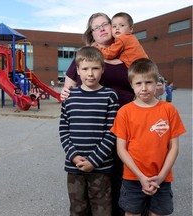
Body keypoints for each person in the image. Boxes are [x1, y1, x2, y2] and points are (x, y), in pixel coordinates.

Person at [61, 12, 135, 216]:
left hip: (128, 123)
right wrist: (66, 93)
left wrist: (158, 86)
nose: (102, 28)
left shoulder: (129, 51)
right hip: (98, 125)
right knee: (89, 192)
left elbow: (148, 75)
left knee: (122, 175)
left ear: (113, 27)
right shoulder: (88, 54)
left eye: (105, 24)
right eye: (96, 27)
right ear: (91, 33)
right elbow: (69, 90)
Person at [111, 58, 186, 216]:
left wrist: (161, 176)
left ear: (157, 82)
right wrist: (141, 176)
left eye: (149, 82)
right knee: (131, 213)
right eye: (138, 83)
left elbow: (174, 147)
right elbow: (121, 149)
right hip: (132, 178)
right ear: (131, 84)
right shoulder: (124, 112)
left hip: (162, 179)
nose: (144, 88)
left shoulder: (169, 110)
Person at [59, 46, 119, 216]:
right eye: (85, 69)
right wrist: (73, 155)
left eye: (95, 68)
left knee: (102, 209)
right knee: (78, 209)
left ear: (103, 69)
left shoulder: (110, 96)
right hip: (74, 166)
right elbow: (63, 130)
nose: (90, 73)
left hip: (101, 167)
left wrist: (94, 160)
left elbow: (112, 132)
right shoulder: (70, 97)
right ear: (77, 70)